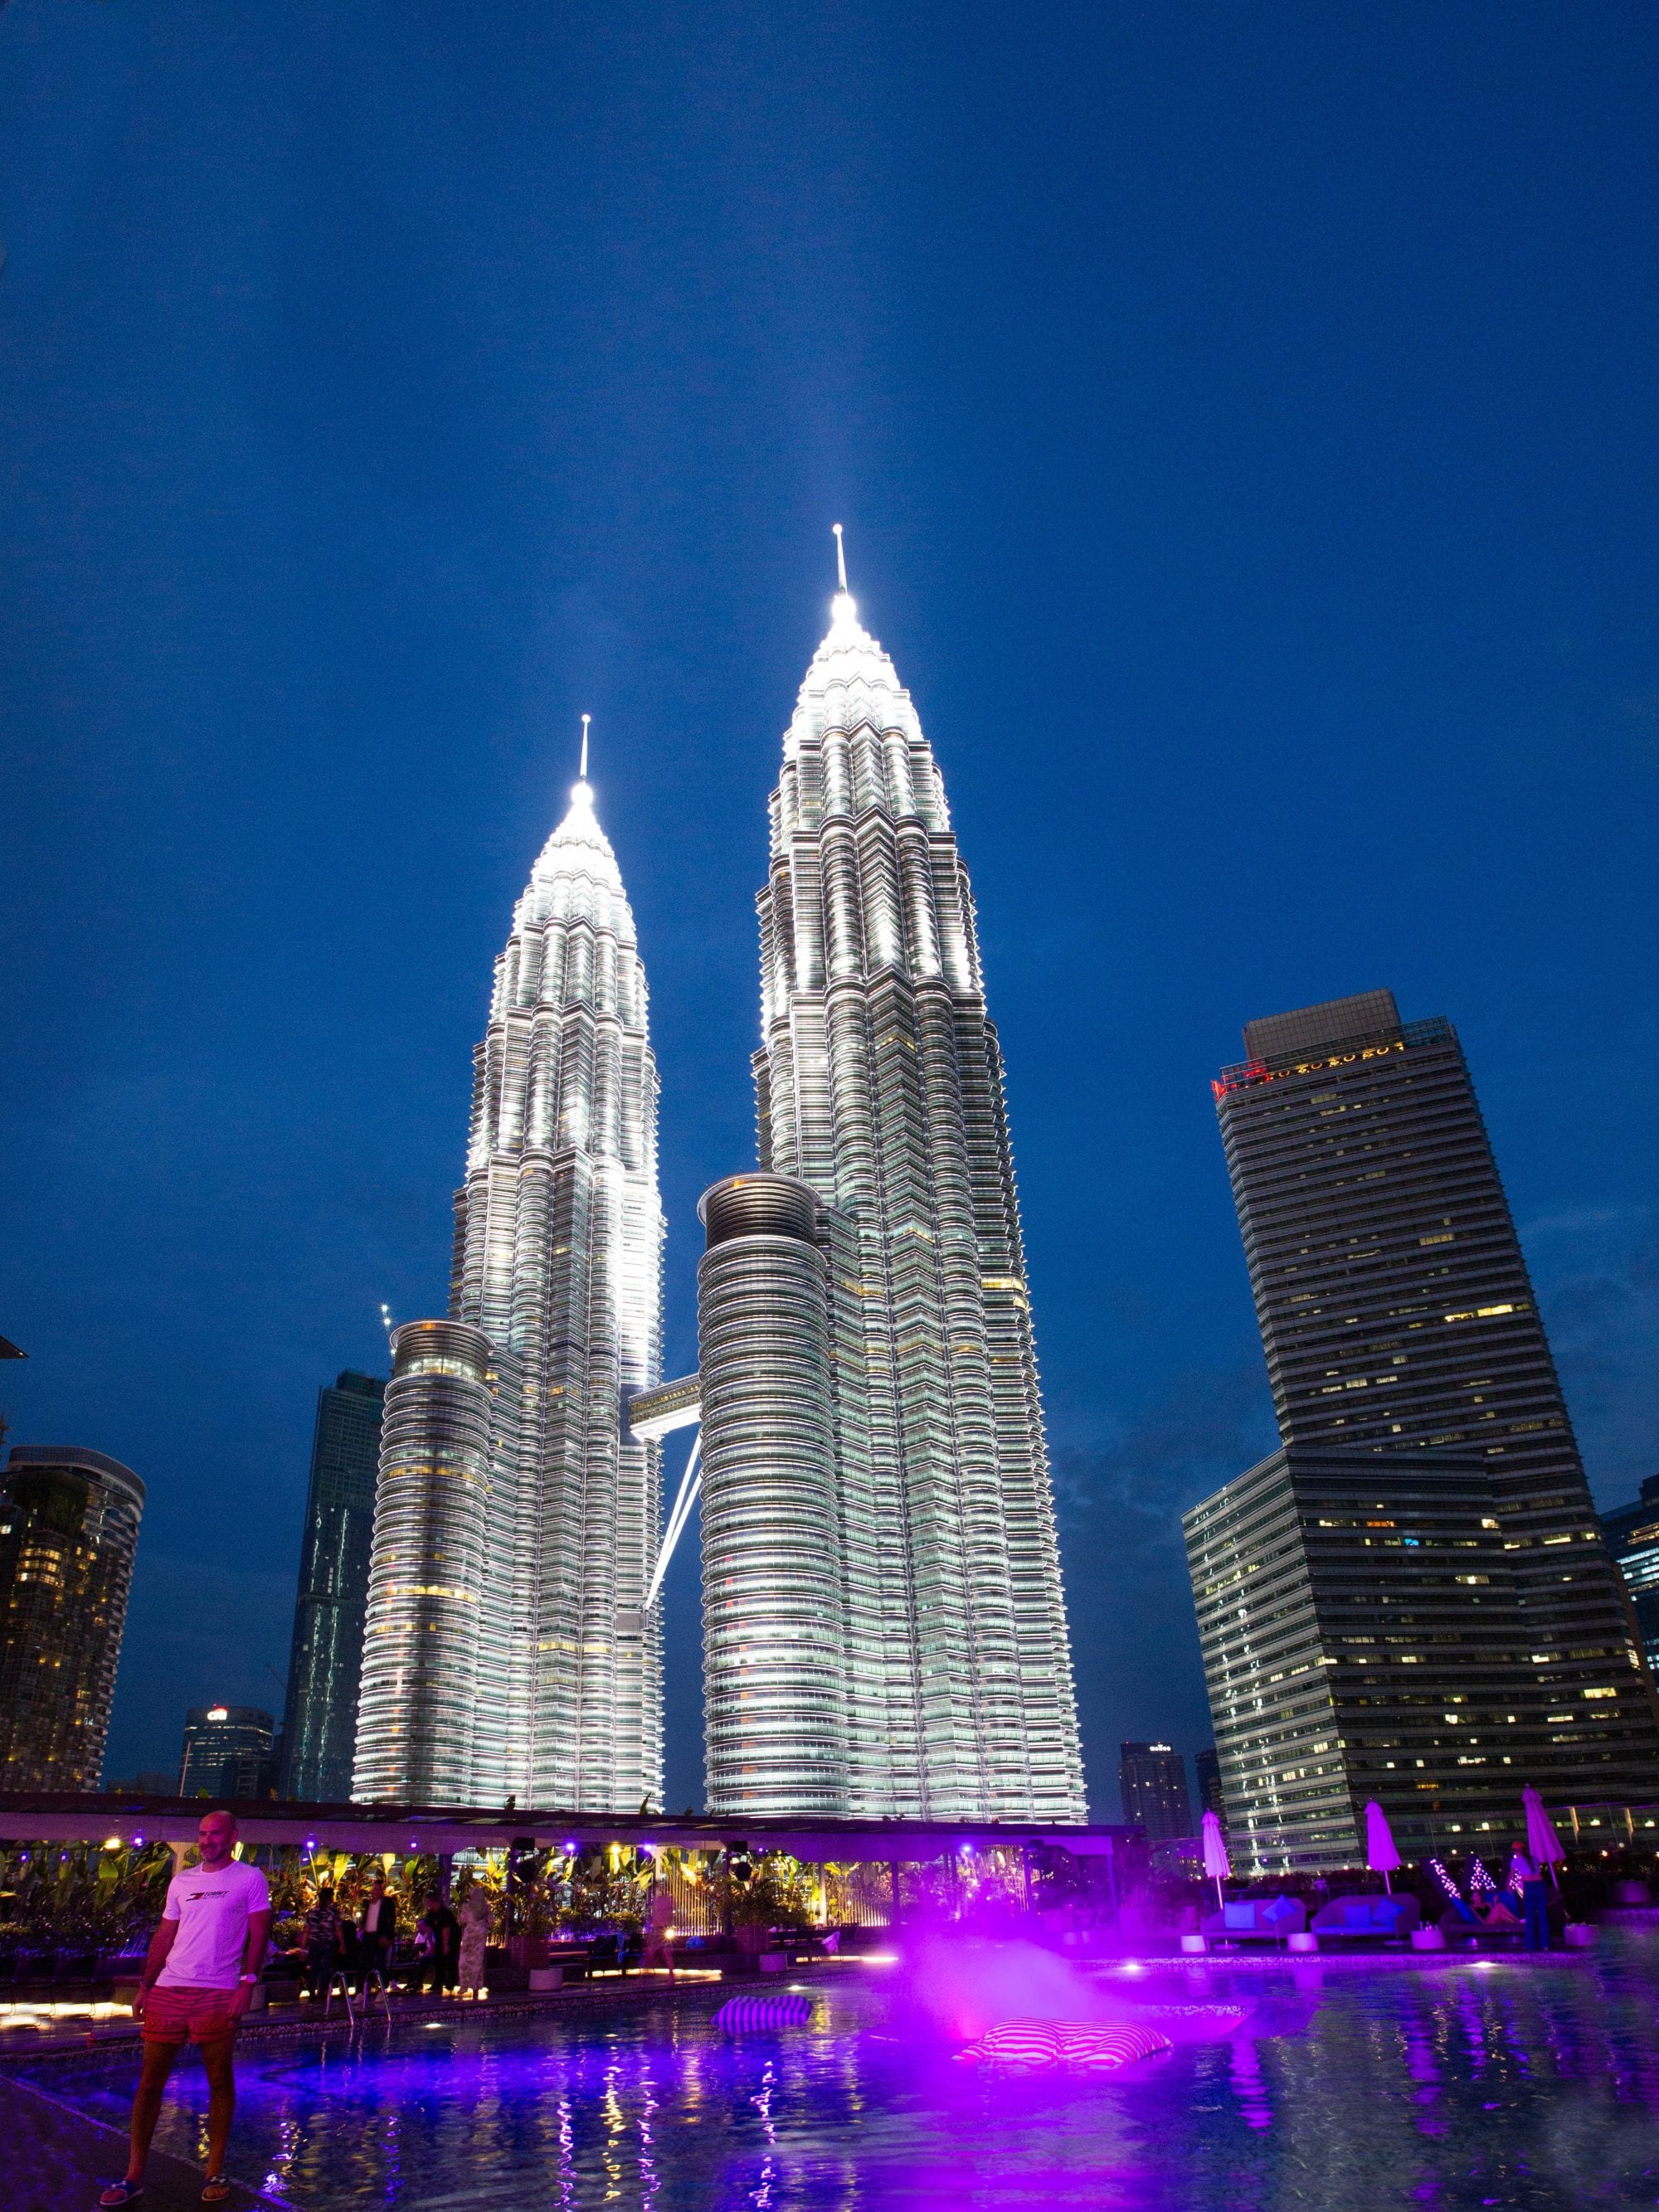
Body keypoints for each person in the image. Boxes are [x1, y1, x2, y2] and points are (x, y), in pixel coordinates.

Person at [100, 1807, 272, 2209]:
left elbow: (260, 1932)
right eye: (202, 1833)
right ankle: (133, 2175)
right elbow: (165, 1934)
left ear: (233, 1837)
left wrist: (248, 1983)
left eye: (215, 1834)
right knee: (148, 2084)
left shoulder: (249, 1878)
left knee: (219, 2082)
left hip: (217, 1991)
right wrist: (145, 1985)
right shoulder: (182, 1881)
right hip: (169, 1989)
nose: (206, 1840)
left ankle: (214, 2170)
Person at [301, 1884, 343, 2000]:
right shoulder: (333, 1912)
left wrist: (303, 1947)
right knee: (325, 1969)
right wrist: (342, 1944)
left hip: (314, 1944)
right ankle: (321, 1993)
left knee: (314, 1969)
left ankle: (311, 1995)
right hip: (328, 1944)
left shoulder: (312, 1912)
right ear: (330, 1898)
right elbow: (338, 1929)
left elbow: (306, 1931)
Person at [359, 1874, 399, 1984]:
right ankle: (362, 1990)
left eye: (378, 1889)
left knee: (380, 1962)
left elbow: (392, 1921)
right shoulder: (367, 1903)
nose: (376, 1891)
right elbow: (364, 1918)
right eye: (374, 1888)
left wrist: (388, 1937)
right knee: (364, 1963)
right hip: (368, 1936)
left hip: (380, 1936)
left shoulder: (387, 1903)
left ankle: (382, 1987)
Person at [421, 1890, 460, 1996]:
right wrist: (431, 1943)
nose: (427, 1904)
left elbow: (446, 1929)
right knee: (439, 1960)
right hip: (438, 1938)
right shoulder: (430, 1914)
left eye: (428, 1902)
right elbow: (428, 1928)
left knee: (450, 1959)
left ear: (433, 1901)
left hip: (451, 1939)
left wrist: (446, 1945)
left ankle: (450, 1983)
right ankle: (438, 1983)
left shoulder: (445, 1913)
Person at [1511, 1846, 1550, 1951]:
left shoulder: (1516, 1861)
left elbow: (1510, 1876)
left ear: (1517, 1851)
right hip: (1541, 1885)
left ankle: (1530, 1944)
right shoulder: (1534, 1859)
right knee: (1543, 1915)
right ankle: (1545, 1944)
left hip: (1529, 1885)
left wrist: (1509, 1887)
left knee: (1530, 1915)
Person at [456, 1884, 490, 1998]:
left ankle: (464, 1985)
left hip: (470, 1935)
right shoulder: (486, 1907)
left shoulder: (467, 1906)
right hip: (481, 1935)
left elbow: (462, 1920)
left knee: (464, 1960)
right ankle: (475, 1986)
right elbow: (491, 1921)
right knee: (477, 1961)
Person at [641, 1886, 676, 1980]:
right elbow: (659, 1917)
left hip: (661, 1930)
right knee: (651, 1953)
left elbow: (665, 1917)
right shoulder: (660, 1901)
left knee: (663, 1953)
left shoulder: (663, 1901)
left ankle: (671, 1978)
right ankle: (641, 1979)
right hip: (659, 1930)